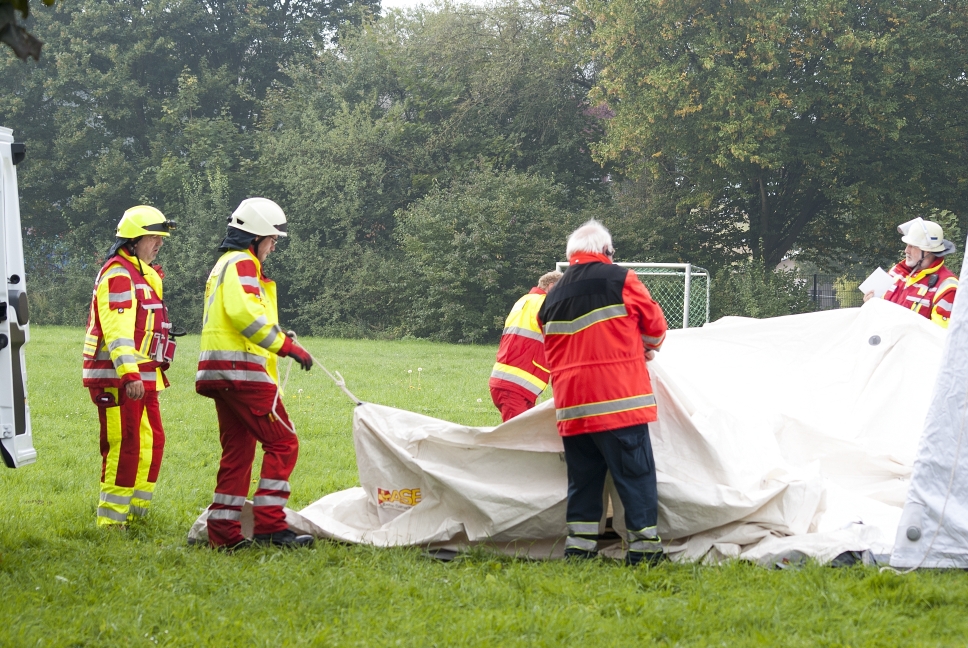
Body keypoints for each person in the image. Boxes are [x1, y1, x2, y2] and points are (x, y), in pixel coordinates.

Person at [537, 220, 668, 566]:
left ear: (572, 255)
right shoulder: (621, 279)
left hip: (572, 407)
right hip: (618, 401)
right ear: (607, 251)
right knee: (635, 476)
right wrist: (641, 347)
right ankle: (644, 553)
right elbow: (655, 331)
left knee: (583, 481)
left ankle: (579, 551)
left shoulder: (552, 297)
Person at [196, 197, 316, 550]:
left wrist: (279, 337)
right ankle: (270, 527)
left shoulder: (224, 265)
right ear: (254, 237)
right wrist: (288, 347)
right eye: (272, 239)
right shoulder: (243, 264)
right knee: (283, 442)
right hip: (243, 374)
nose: (273, 247)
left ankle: (223, 535)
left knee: (238, 451)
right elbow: (246, 316)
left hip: (220, 374)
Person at [82, 205, 177, 528]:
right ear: (134, 241)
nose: (159, 244)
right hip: (120, 378)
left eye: (160, 238)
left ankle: (137, 514)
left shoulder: (141, 273)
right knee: (125, 444)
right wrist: (129, 374)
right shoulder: (119, 275)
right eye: (153, 237)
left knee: (152, 441)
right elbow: (118, 332)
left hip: (145, 375)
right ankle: (111, 522)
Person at [489, 271, 562, 422]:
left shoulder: (524, 301)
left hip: (510, 382)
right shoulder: (544, 303)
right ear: (552, 287)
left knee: (525, 438)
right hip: (516, 385)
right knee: (517, 441)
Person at [864, 217, 959, 328]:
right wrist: (870, 305)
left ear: (927, 250)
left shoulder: (948, 287)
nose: (906, 250)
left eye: (912, 246)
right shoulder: (896, 272)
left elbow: (939, 337)